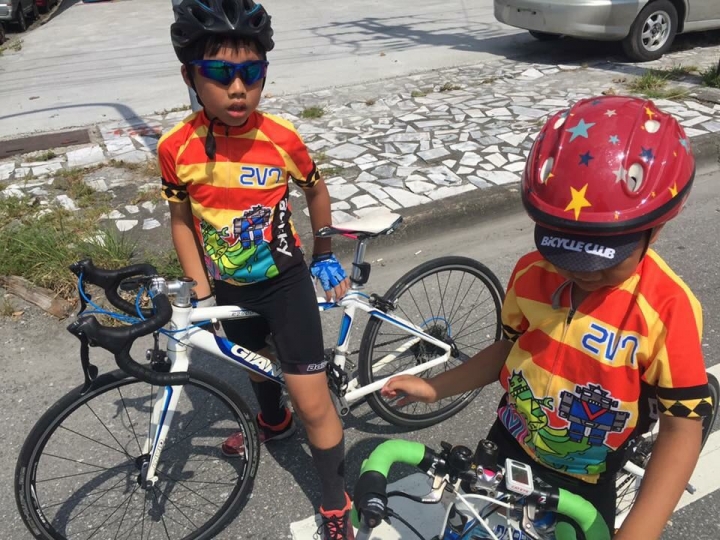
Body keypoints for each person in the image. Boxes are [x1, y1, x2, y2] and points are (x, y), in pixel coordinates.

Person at [381, 95, 713, 539]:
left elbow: (682, 427)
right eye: (563, 251)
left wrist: (641, 531)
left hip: (586, 475)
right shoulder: (531, 274)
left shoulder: (668, 308)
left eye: (603, 258)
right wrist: (435, 388)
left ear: (658, 226)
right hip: (509, 442)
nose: (580, 272)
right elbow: (507, 349)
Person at [158, 1, 354, 538]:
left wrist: (324, 252)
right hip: (227, 284)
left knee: (313, 402)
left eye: (252, 72)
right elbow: (181, 220)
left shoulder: (281, 137)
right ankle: (272, 422)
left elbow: (316, 190)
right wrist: (200, 291)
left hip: (285, 283)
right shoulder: (175, 148)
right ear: (190, 77)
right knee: (252, 364)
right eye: (220, 73)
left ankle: (336, 502)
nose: (239, 88)